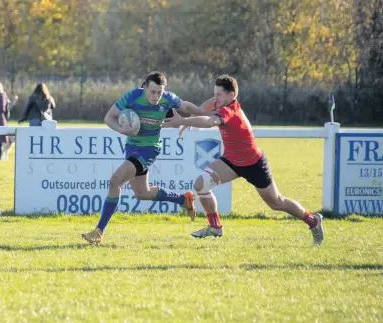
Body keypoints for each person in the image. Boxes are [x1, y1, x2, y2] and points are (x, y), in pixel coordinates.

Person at [163, 74, 325, 244]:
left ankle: (313, 220)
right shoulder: (222, 101)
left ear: (231, 95)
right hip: (232, 162)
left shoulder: (230, 110)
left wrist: (182, 120)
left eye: (219, 94)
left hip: (254, 164)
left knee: (277, 203)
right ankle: (215, 227)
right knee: (201, 184)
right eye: (215, 93)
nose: (215, 98)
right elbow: (208, 105)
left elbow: (210, 121)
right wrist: (190, 120)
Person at [81, 71, 217, 244]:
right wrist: (122, 130)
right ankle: (183, 199)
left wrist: (207, 115)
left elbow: (187, 107)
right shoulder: (132, 97)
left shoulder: (168, 99)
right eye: (153, 92)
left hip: (149, 149)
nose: (156, 96)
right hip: (132, 147)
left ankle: (98, 232)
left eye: (159, 92)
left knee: (115, 180)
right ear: (144, 87)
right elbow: (109, 117)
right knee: (142, 193)